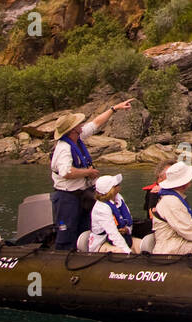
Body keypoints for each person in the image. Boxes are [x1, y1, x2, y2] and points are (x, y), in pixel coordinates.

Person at [49, 101, 131, 250]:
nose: (82, 124)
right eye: (78, 123)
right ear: (73, 129)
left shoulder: (77, 137)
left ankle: (85, 255)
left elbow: (96, 123)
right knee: (67, 233)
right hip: (67, 196)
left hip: (84, 193)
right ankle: (63, 258)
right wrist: (89, 172)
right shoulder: (64, 148)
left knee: (86, 229)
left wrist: (114, 109)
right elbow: (66, 172)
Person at [89, 173, 139, 254]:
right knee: (121, 252)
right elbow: (113, 234)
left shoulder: (118, 198)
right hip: (102, 243)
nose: (119, 185)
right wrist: (128, 252)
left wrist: (127, 229)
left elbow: (129, 219)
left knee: (142, 246)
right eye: (116, 185)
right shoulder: (101, 208)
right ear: (111, 190)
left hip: (124, 237)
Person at [134, 160, 173, 239]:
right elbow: (152, 215)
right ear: (160, 177)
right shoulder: (153, 192)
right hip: (159, 228)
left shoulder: (175, 191)